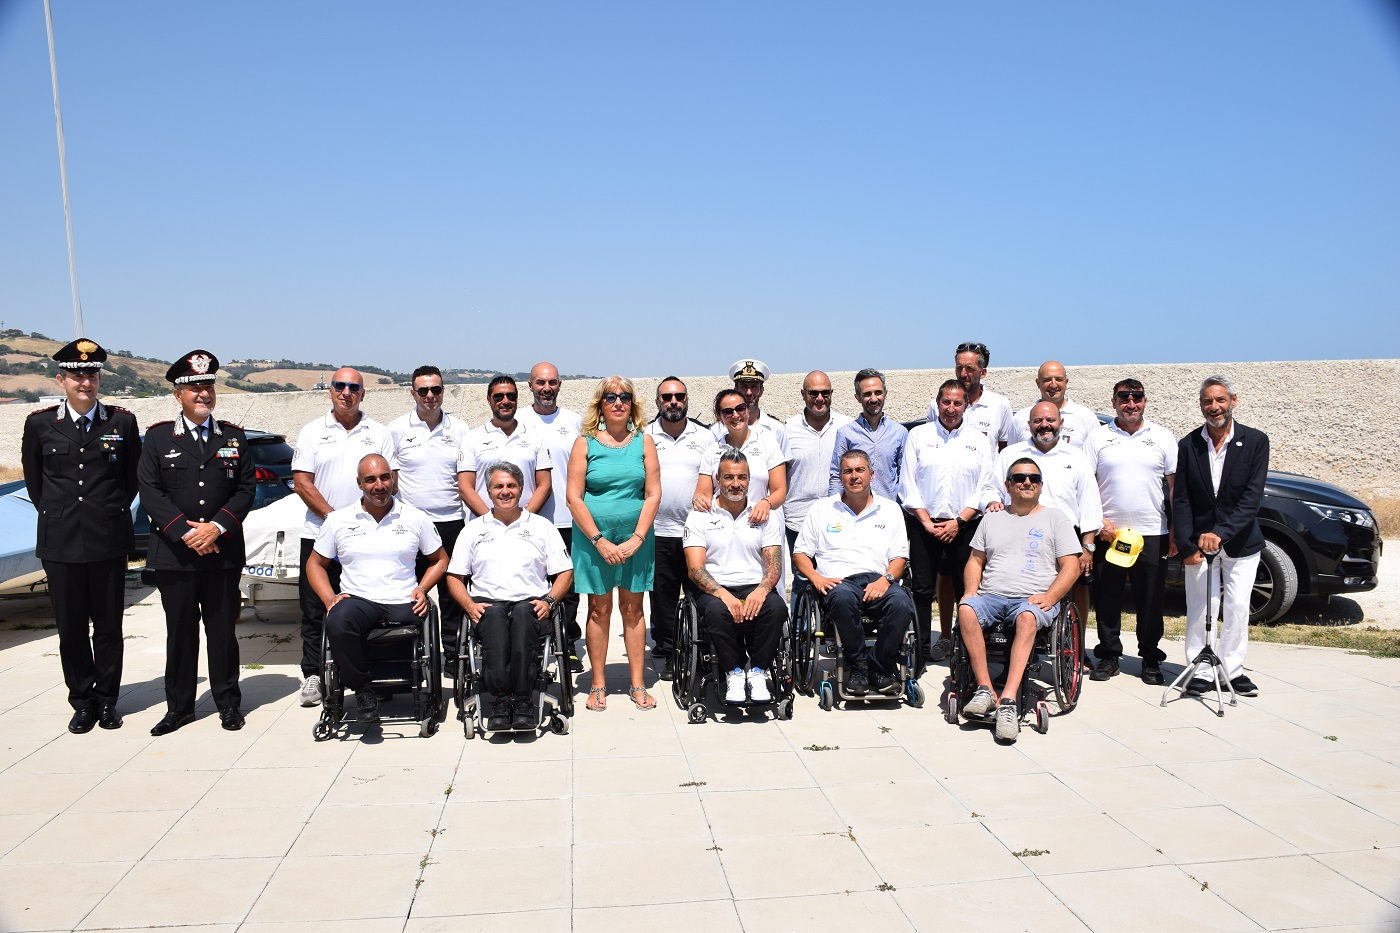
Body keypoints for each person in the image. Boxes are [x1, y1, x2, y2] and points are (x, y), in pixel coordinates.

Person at [21, 338, 140, 734]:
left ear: (99, 379)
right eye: (77, 376)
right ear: (61, 381)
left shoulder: (121, 422)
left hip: (107, 538)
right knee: (71, 629)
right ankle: (82, 701)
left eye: (91, 375)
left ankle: (107, 701)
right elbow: (36, 484)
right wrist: (62, 515)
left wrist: (105, 512)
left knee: (108, 627)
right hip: (61, 541)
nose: (85, 383)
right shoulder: (40, 424)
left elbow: (130, 480)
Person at [138, 350, 257, 735]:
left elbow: (245, 489)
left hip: (222, 554)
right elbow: (150, 491)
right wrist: (188, 533)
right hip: (176, 556)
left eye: (208, 386)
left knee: (222, 633)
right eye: (194, 388)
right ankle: (179, 708)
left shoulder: (234, 437)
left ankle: (228, 703)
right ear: (178, 395)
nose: (203, 394)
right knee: (181, 634)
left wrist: (216, 528)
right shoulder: (158, 438)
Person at [306, 454, 448, 723]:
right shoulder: (338, 520)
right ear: (359, 483)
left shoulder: (415, 518)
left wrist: (422, 588)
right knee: (338, 621)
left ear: (393, 479)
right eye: (370, 480)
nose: (379, 485)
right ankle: (363, 690)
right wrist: (328, 598)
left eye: (384, 477)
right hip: (359, 600)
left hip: (402, 599)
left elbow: (440, 560)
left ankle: (409, 682)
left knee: (422, 620)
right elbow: (315, 564)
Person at [958, 458, 1082, 742]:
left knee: (1027, 617)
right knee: (965, 609)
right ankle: (985, 689)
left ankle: (1008, 701)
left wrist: (1051, 596)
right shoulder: (991, 519)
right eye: (1019, 478)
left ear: (1041, 485)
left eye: (1033, 478)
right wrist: (971, 590)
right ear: (1008, 485)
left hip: (1032, 600)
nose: (1027, 482)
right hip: (991, 596)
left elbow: (1072, 566)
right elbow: (975, 561)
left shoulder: (1056, 518)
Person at [291, 368, 394, 708]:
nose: (346, 392)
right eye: (340, 385)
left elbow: (390, 481)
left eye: (353, 387)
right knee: (315, 608)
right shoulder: (311, 431)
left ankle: (369, 675)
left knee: (366, 608)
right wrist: (336, 521)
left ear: (363, 393)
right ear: (330, 391)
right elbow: (302, 482)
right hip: (320, 534)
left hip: (369, 538)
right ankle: (314, 675)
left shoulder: (379, 432)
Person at [446, 462, 574, 731]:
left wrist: (550, 601)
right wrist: (468, 605)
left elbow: (565, 572)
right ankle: (501, 700)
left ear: (521, 489)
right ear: (489, 492)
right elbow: (454, 577)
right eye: (498, 486)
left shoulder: (542, 527)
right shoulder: (473, 530)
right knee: (493, 616)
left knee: (524, 614)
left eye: (511, 486)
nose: (505, 491)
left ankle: (523, 699)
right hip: (487, 604)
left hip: (531, 603)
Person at [566, 377, 661, 712]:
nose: (618, 402)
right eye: (610, 397)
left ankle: (638, 684)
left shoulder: (645, 442)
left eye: (625, 397)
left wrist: (637, 538)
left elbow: (653, 493)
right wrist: (599, 540)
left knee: (634, 609)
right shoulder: (584, 443)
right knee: (599, 608)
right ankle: (598, 684)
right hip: (593, 540)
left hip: (637, 538)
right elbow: (574, 497)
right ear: (601, 404)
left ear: (632, 404)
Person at [1172, 375, 1270, 697]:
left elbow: (1251, 499)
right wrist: (1186, 545)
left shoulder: (1255, 441)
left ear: (1233, 401)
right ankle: (1199, 670)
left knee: (1238, 606)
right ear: (1201, 405)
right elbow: (1182, 499)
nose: (1214, 407)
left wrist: (1221, 533)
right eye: (1208, 401)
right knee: (1201, 607)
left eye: (1220, 400)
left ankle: (1232, 670)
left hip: (1241, 543)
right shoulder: (1188, 444)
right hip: (1199, 545)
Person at [793, 449, 914, 696]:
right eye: (848, 471)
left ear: (872, 475)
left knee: (902, 603)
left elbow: (899, 558)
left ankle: (880, 668)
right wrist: (816, 578)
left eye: (860, 470)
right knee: (843, 597)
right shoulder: (822, 509)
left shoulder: (890, 509)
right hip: (838, 582)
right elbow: (800, 554)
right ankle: (859, 666)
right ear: (840, 476)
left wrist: (886, 580)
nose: (854, 476)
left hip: (878, 580)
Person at [899, 379, 1001, 666]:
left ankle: (965, 653)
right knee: (921, 590)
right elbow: (908, 484)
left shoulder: (979, 441)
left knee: (966, 591)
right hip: (925, 526)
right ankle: (919, 653)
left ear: (966, 405)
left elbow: (985, 486)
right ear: (937, 403)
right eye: (946, 402)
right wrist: (925, 521)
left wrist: (959, 521)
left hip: (965, 527)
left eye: (957, 403)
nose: (951, 408)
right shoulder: (918, 436)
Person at [1084, 378, 1178, 685]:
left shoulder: (1162, 437)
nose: (1131, 403)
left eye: (1137, 397)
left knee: (1150, 600)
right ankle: (1109, 655)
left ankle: (1150, 657)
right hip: (1109, 534)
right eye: (1124, 397)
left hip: (1152, 532)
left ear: (1145, 401)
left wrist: (1175, 528)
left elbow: (1175, 487)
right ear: (1114, 402)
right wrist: (1099, 522)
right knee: (1107, 598)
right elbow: (1086, 485)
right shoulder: (1098, 437)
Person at [998, 401, 1103, 654]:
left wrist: (1087, 546)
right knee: (1021, 590)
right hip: (1020, 533)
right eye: (1038, 421)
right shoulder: (1010, 454)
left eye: (1050, 420)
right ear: (1029, 424)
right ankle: (1020, 648)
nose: (1044, 425)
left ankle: (1076, 649)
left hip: (1066, 536)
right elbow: (993, 490)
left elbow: (1089, 503)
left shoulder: (1076, 457)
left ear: (1061, 423)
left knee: (1076, 591)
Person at [684, 449, 787, 703]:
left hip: (754, 585)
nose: (735, 484)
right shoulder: (699, 516)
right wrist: (723, 595)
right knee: (717, 612)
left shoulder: (764, 516)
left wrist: (761, 591)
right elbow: (695, 569)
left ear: (750, 480)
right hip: (715, 588)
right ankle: (734, 673)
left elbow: (774, 565)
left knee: (776, 608)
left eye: (742, 477)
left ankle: (759, 671)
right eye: (729, 477)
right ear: (717, 479)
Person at [387, 365, 469, 662]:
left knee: (452, 595)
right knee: (407, 594)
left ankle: (453, 657)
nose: (430, 395)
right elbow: (390, 481)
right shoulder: (395, 429)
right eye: (423, 390)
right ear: (413, 393)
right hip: (410, 525)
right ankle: (409, 655)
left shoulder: (460, 429)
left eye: (436, 389)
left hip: (452, 522)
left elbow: (467, 477)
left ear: (443, 391)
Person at [643, 377, 717, 679]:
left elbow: (716, 478)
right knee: (663, 599)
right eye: (667, 397)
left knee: (701, 594)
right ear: (658, 401)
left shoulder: (706, 437)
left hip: (695, 533)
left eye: (679, 396)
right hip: (657, 531)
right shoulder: (644, 435)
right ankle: (672, 653)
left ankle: (702, 651)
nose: (673, 401)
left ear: (686, 400)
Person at [516, 361, 586, 672]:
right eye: (540, 383)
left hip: (568, 519)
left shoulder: (574, 421)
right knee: (530, 584)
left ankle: (566, 645)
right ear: (530, 386)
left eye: (552, 382)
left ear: (560, 385)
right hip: (528, 519)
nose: (547, 388)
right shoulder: (518, 421)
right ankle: (534, 643)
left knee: (568, 588)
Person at [457, 375, 552, 518]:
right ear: (489, 399)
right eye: (498, 397)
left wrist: (524, 519)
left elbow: (545, 485)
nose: (505, 401)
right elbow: (465, 488)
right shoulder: (472, 438)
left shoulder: (536, 437)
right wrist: (490, 521)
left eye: (511, 396)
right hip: (484, 525)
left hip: (527, 525)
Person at [694, 388, 789, 528]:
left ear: (747, 410)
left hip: (758, 524)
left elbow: (779, 491)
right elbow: (702, 493)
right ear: (719, 417)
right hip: (721, 528)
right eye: (728, 412)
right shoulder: (712, 451)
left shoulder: (768, 445)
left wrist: (766, 503)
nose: (735, 415)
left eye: (740, 409)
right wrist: (699, 500)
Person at [784, 371, 853, 554]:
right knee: (802, 572)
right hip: (798, 520)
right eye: (813, 393)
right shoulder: (787, 429)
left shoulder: (847, 427)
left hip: (839, 518)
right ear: (803, 394)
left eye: (825, 393)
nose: (820, 398)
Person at [829, 369, 908, 501]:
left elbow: (906, 477)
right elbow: (836, 476)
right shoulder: (846, 434)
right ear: (858, 397)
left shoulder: (900, 433)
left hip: (889, 509)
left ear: (885, 393)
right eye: (867, 394)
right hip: (855, 509)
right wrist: (834, 507)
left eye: (878, 392)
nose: (873, 399)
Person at [929, 342, 1012, 450]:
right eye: (959, 368)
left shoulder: (1000, 405)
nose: (963, 374)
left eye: (969, 368)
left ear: (983, 373)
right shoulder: (937, 406)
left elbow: (1005, 450)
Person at [1008, 361, 1102, 449]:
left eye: (1059, 379)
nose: (1053, 385)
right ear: (1038, 383)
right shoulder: (1020, 418)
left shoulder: (1086, 417)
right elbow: (1012, 455)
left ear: (1066, 382)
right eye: (1047, 380)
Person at [711, 358, 789, 456]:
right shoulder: (716, 430)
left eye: (754, 387)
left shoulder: (776, 429)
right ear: (736, 390)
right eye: (744, 387)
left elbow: (785, 464)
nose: (749, 392)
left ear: (761, 391)